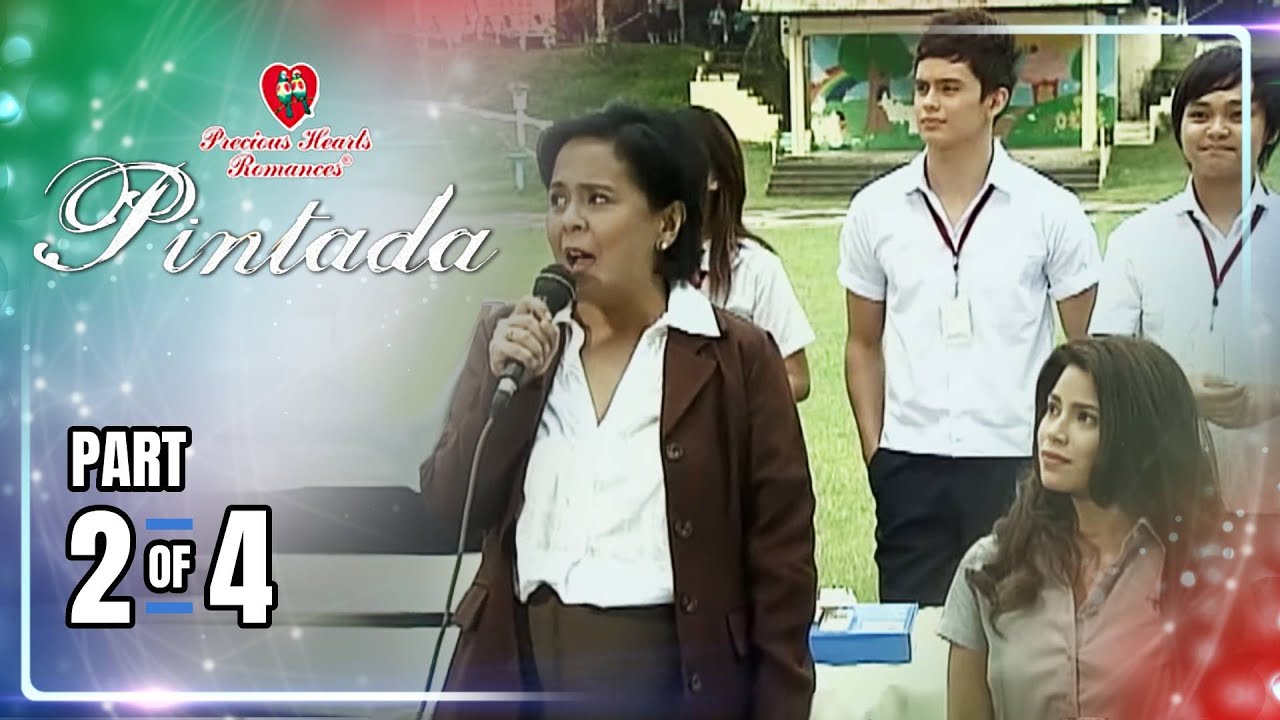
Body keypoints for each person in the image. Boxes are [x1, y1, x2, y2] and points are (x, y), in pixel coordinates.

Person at [419, 104, 817, 720]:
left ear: (667, 224)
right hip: (523, 682)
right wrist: (509, 385)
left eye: (598, 199)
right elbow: (450, 504)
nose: (570, 221)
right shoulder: (515, 343)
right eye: (558, 199)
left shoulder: (736, 357)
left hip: (675, 687)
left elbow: (783, 562)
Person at [837, 7, 1102, 606]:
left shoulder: (1050, 211)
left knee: (1024, 631)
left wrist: (1066, 454)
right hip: (910, 467)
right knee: (918, 637)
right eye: (922, 87)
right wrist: (879, 455)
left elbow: (1090, 351)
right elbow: (862, 343)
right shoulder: (875, 210)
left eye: (950, 88)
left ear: (994, 100)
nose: (929, 103)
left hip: (1018, 462)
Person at [938, 336, 1225, 720]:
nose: (1054, 432)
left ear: (1137, 437)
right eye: (1053, 409)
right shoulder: (991, 567)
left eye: (1085, 417)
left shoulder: (1198, 574)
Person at [1090, 46, 1280, 515]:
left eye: (1237, 114)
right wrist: (1178, 391)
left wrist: (1271, 398)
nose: (1216, 129)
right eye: (1200, 114)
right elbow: (1105, 367)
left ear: (1270, 130)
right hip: (1167, 497)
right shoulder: (1135, 240)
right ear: (1179, 130)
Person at [677, 105, 816, 402]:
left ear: (714, 177)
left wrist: (728, 405)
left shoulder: (756, 269)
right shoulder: (640, 265)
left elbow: (796, 377)